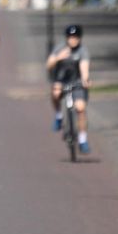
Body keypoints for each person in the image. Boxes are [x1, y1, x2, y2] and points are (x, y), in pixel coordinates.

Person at [46, 24, 92, 154]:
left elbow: (84, 68)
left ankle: (83, 140)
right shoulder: (60, 48)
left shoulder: (82, 51)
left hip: (76, 82)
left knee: (80, 108)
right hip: (61, 80)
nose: (73, 40)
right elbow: (48, 65)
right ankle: (59, 116)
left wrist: (85, 79)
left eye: (76, 37)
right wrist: (57, 58)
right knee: (55, 92)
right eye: (71, 37)